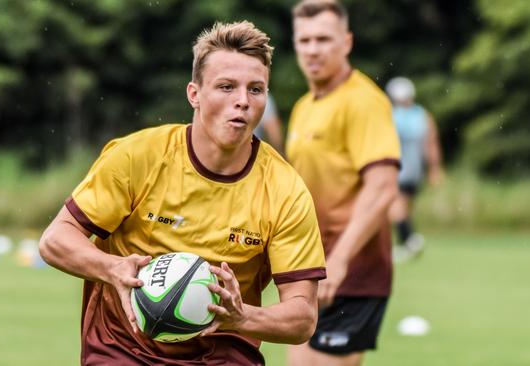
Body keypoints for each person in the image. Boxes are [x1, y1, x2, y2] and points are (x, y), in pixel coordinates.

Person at [39, 21, 327, 365]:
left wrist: (242, 317)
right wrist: (112, 268)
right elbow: (55, 240)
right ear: (194, 94)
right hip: (121, 350)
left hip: (222, 355)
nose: (242, 101)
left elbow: (303, 316)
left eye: (255, 89)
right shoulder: (137, 156)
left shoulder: (286, 190)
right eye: (226, 87)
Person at [285, 1, 401, 365]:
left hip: (351, 274)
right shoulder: (304, 106)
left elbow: (382, 187)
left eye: (323, 39)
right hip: (309, 272)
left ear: (346, 42)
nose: (313, 49)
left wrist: (339, 261)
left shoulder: (364, 101)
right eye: (304, 40)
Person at [385, 76, 444, 262]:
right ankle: (407, 244)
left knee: (397, 207)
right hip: (414, 171)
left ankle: (410, 241)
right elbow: (431, 145)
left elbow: (431, 144)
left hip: (400, 169)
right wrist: (434, 169)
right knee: (403, 206)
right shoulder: (423, 115)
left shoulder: (391, 115)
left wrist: (435, 168)